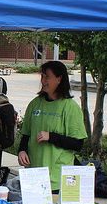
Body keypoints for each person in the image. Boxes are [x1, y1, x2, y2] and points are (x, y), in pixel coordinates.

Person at [17, 60, 87, 192]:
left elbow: (77, 144)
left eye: (47, 76)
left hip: (57, 179)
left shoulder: (70, 107)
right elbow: (26, 134)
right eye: (42, 76)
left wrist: (51, 137)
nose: (43, 81)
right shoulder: (35, 104)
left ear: (59, 79)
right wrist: (22, 151)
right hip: (33, 175)